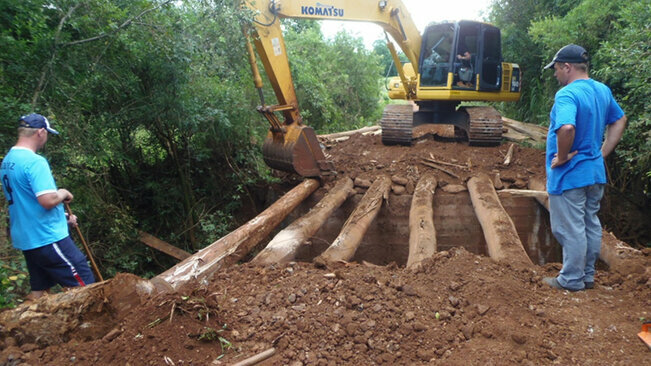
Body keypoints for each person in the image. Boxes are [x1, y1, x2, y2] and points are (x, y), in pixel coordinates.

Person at [541, 44, 627, 291]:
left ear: (567, 67)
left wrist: (564, 156)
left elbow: (567, 128)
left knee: (571, 228)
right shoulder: (601, 90)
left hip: (570, 175)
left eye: (556, 69)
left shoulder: (567, 94)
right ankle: (587, 276)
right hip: (594, 173)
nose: (556, 74)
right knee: (590, 223)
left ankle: (571, 279)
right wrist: (601, 153)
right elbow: (619, 119)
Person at [1, 113, 95, 300]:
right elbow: (47, 200)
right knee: (87, 287)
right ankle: (98, 328)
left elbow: (25, 202)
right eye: (47, 134)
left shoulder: (8, 161)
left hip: (28, 239)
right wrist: (63, 193)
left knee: (40, 293)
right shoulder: (34, 161)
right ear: (41, 132)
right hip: (47, 237)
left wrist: (64, 219)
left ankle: (26, 326)